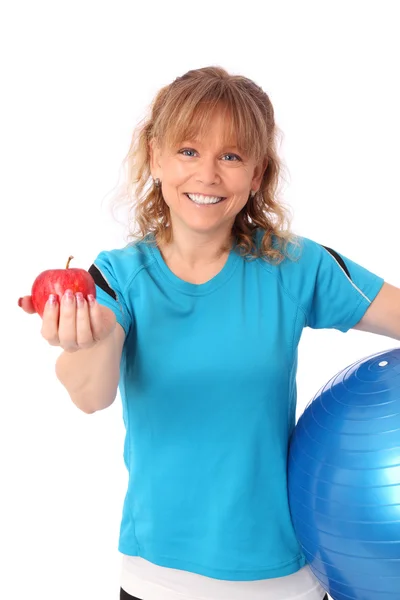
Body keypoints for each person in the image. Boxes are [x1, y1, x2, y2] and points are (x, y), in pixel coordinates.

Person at [18, 66, 399, 600]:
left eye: (232, 156)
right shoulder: (117, 277)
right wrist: (92, 340)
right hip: (158, 579)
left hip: (282, 581)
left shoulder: (295, 266)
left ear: (257, 173)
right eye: (189, 151)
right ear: (155, 157)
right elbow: (89, 396)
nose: (208, 175)